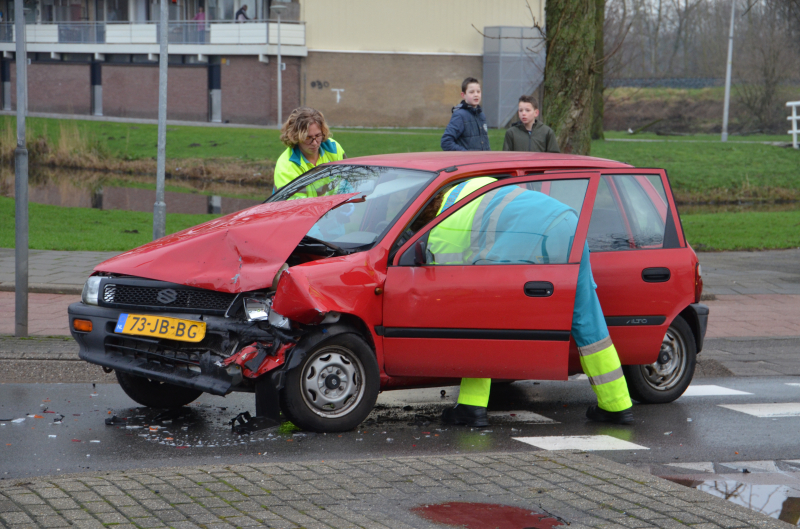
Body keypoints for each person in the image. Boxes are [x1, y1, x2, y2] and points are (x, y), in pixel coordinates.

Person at [434, 184, 634, 427]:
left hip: (530, 232)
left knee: (482, 318)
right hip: (569, 222)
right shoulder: (466, 186)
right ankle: (617, 405)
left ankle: (471, 406)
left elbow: (445, 278)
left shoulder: (441, 226)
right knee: (587, 318)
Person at [273, 107, 346, 194]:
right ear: (295, 137)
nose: (315, 143)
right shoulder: (286, 166)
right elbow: (296, 205)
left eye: (318, 135)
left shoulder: (333, 148)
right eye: (308, 137)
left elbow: (348, 181)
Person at [441, 77, 490, 152]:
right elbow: (446, 142)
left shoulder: (481, 115)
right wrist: (466, 154)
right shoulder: (460, 115)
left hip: (482, 162)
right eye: (471, 92)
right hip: (469, 162)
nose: (476, 95)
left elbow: (485, 144)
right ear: (463, 95)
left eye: (478, 91)